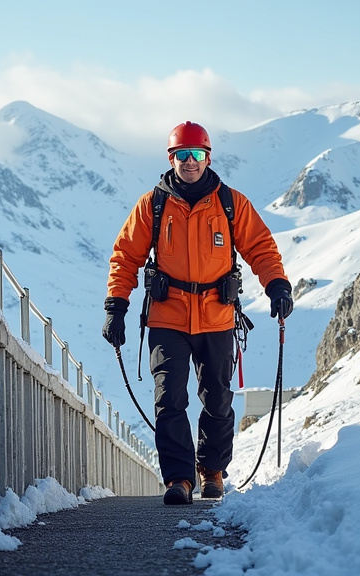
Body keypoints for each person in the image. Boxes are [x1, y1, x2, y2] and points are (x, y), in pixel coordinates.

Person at [102, 121, 293, 505]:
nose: (190, 162)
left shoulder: (231, 203)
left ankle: (212, 471)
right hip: (166, 317)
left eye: (197, 154)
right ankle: (178, 479)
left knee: (218, 399)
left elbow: (260, 247)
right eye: (183, 155)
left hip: (217, 316)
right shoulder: (152, 205)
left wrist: (277, 285)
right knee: (169, 399)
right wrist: (116, 306)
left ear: (208, 157)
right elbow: (125, 256)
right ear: (171, 158)